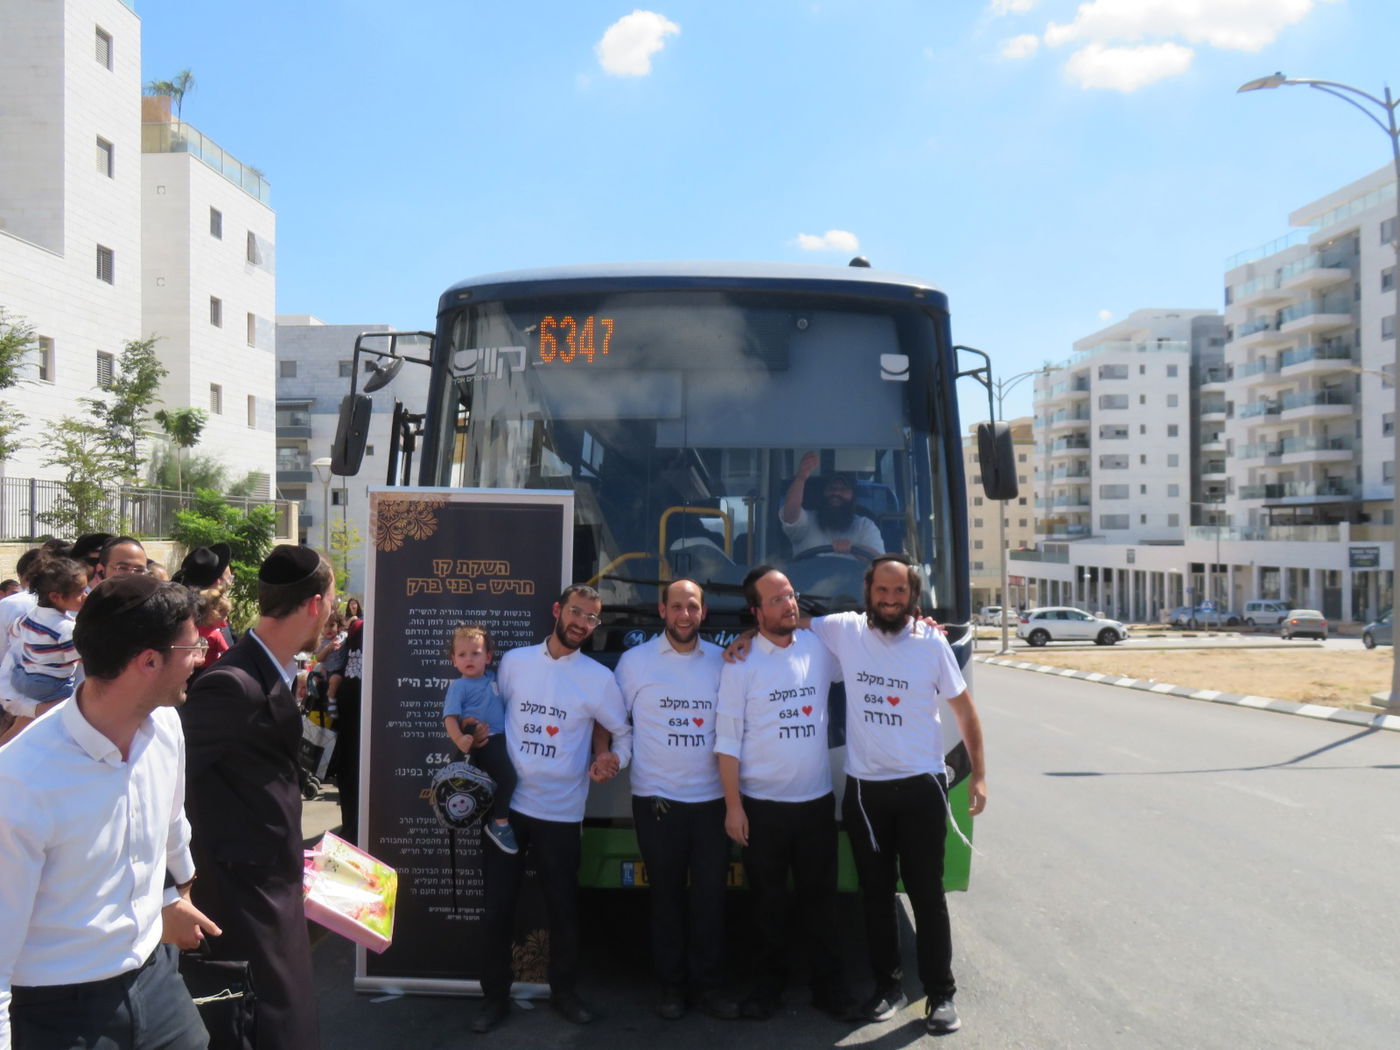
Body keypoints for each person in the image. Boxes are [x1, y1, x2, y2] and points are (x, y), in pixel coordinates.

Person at [729, 554, 988, 1034]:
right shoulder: (844, 630)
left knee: (927, 895)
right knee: (875, 896)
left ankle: (940, 994)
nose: (890, 600)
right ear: (868, 593)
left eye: (900, 592)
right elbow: (788, 619)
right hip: (866, 793)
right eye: (882, 591)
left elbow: (966, 712)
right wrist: (748, 635)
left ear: (912, 596)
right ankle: (886, 987)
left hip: (922, 788)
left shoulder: (932, 641)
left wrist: (979, 775)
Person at [0, 574, 221, 1049]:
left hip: (157, 982)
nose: (200, 658)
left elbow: (170, 830)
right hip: (58, 1011)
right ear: (148, 661)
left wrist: (171, 899)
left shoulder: (165, 729)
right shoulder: (20, 782)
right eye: (192, 647)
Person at [180, 544, 336, 1050]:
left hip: (273, 886)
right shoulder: (233, 683)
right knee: (270, 1029)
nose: (332, 613)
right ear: (314, 604)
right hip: (243, 901)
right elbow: (166, 786)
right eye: (331, 602)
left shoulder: (270, 669)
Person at [472, 585, 631, 1034]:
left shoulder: (599, 678)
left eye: (592, 618)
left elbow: (624, 734)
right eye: (577, 612)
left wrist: (614, 759)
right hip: (507, 811)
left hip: (561, 813)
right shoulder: (516, 663)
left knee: (562, 909)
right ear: (558, 611)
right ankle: (493, 999)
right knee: (497, 908)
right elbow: (495, 721)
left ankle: (564, 993)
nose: (582, 623)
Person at [713, 566, 859, 1022]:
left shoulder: (820, 649)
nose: (789, 605)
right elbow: (727, 740)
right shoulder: (740, 663)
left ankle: (828, 988)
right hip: (761, 809)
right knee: (767, 907)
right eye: (776, 600)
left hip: (815, 804)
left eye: (791, 595)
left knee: (822, 903)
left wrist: (922, 627)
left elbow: (868, 650)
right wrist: (733, 807)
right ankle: (767, 989)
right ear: (755, 612)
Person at [613, 579, 739, 1021]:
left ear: (703, 614)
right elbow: (614, 721)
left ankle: (708, 987)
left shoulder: (724, 663)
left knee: (710, 900)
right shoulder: (633, 663)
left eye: (693, 607)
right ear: (661, 611)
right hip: (656, 802)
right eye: (677, 607)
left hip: (711, 803)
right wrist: (609, 756)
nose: (685, 615)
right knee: (664, 898)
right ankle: (671, 988)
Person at [441, 624, 518, 854]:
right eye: (462, 655)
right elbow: (449, 717)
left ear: (488, 657)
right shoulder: (459, 687)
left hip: (500, 740)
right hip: (480, 745)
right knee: (508, 778)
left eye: (475, 653)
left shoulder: (493, 678)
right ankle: (500, 824)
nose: (469, 659)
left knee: (498, 782)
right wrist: (459, 738)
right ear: (454, 660)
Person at [9, 554, 87, 705]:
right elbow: (81, 657)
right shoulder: (65, 628)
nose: (85, 596)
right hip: (50, 685)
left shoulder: (31, 615)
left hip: (22, 677)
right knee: (73, 706)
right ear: (56, 597)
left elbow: (14, 631)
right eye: (80, 592)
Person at [780, 452, 884, 558]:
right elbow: (790, 515)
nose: (836, 493)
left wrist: (854, 548)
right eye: (831, 488)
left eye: (843, 489)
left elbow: (880, 563)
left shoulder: (865, 526)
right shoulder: (807, 522)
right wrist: (801, 478)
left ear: (853, 496)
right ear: (823, 493)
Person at [323, 616, 363, 846]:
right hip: (360, 749)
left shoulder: (344, 671)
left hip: (345, 749)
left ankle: (350, 829)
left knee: (349, 787)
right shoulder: (368, 677)